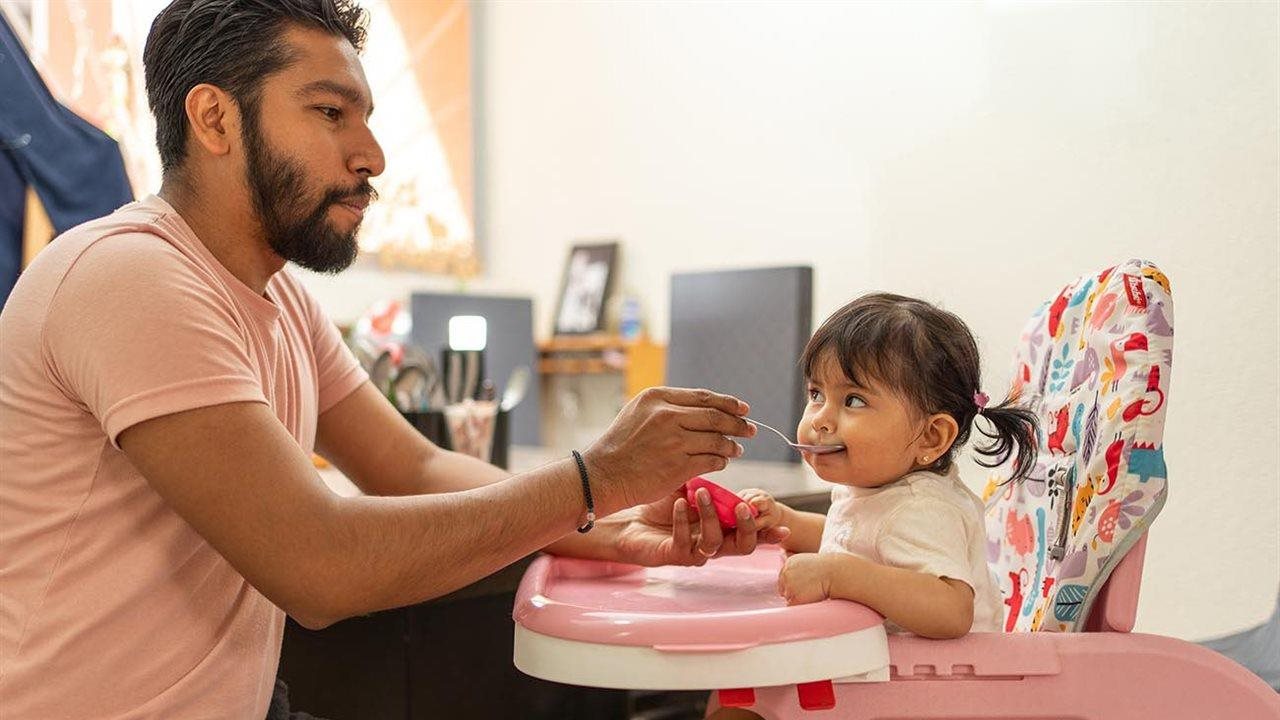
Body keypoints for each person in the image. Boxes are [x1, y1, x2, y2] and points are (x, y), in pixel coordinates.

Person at [0, 1, 782, 717]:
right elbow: (319, 565)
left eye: (366, 118)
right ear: (214, 118)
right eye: (331, 113)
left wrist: (605, 522)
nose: (370, 154)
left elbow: (414, 468)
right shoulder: (127, 276)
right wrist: (595, 478)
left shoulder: (281, 302)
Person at [745, 292, 1038, 638]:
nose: (821, 419)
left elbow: (952, 610)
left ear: (931, 437)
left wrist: (839, 575)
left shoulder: (923, 509)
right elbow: (856, 539)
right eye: (816, 394)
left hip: (947, 684)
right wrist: (785, 522)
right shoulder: (878, 489)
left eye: (854, 400)